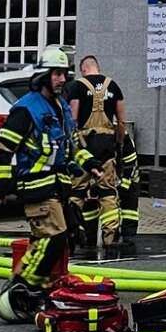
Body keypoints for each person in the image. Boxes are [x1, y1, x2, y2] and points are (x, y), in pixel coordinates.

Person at [0, 47, 96, 305]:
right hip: (37, 186)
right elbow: (4, 149)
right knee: (53, 237)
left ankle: (43, 287)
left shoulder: (60, 107)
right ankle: (24, 287)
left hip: (59, 187)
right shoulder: (27, 109)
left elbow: (72, 146)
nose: (62, 79)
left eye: (64, 74)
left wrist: (90, 162)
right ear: (43, 76)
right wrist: (2, 183)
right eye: (57, 74)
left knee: (69, 234)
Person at [66, 55, 128, 256]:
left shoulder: (77, 86)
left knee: (77, 192)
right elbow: (122, 121)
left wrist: (73, 145)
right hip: (107, 148)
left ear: (84, 69)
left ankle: (73, 233)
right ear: (97, 68)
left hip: (84, 147)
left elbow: (73, 118)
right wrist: (118, 144)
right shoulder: (114, 86)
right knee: (108, 193)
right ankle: (110, 238)